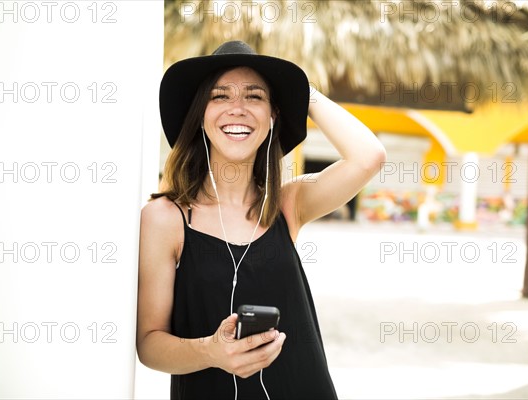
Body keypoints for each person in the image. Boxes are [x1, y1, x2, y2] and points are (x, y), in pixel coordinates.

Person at [137, 41, 386, 399]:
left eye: (254, 97)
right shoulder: (165, 218)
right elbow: (149, 345)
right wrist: (212, 351)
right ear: (200, 115)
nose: (237, 109)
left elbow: (369, 157)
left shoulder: (287, 203)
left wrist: (302, 90)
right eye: (220, 97)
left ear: (273, 117)